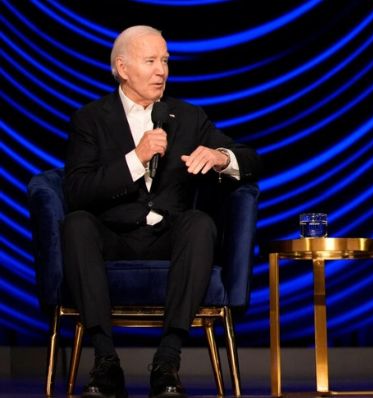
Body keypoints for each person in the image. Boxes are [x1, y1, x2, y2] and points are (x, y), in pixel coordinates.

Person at [62, 25, 261, 398]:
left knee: (200, 223)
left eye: (165, 61)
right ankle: (105, 361)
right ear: (122, 68)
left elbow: (250, 159)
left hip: (170, 240)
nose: (162, 70)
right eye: (151, 61)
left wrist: (220, 158)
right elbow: (77, 191)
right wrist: (135, 159)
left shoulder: (187, 117)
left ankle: (167, 360)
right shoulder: (90, 119)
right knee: (75, 224)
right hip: (113, 238)